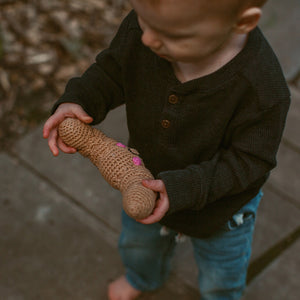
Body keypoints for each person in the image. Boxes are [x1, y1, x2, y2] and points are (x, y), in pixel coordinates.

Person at [43, 0, 290, 299]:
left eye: (174, 34)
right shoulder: (150, 27)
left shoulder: (262, 88)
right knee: (139, 246)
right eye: (144, 21)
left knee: (220, 273)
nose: (147, 39)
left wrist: (184, 188)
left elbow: (250, 160)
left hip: (222, 207)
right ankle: (143, 276)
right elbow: (111, 72)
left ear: (242, 21)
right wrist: (79, 100)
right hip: (145, 181)